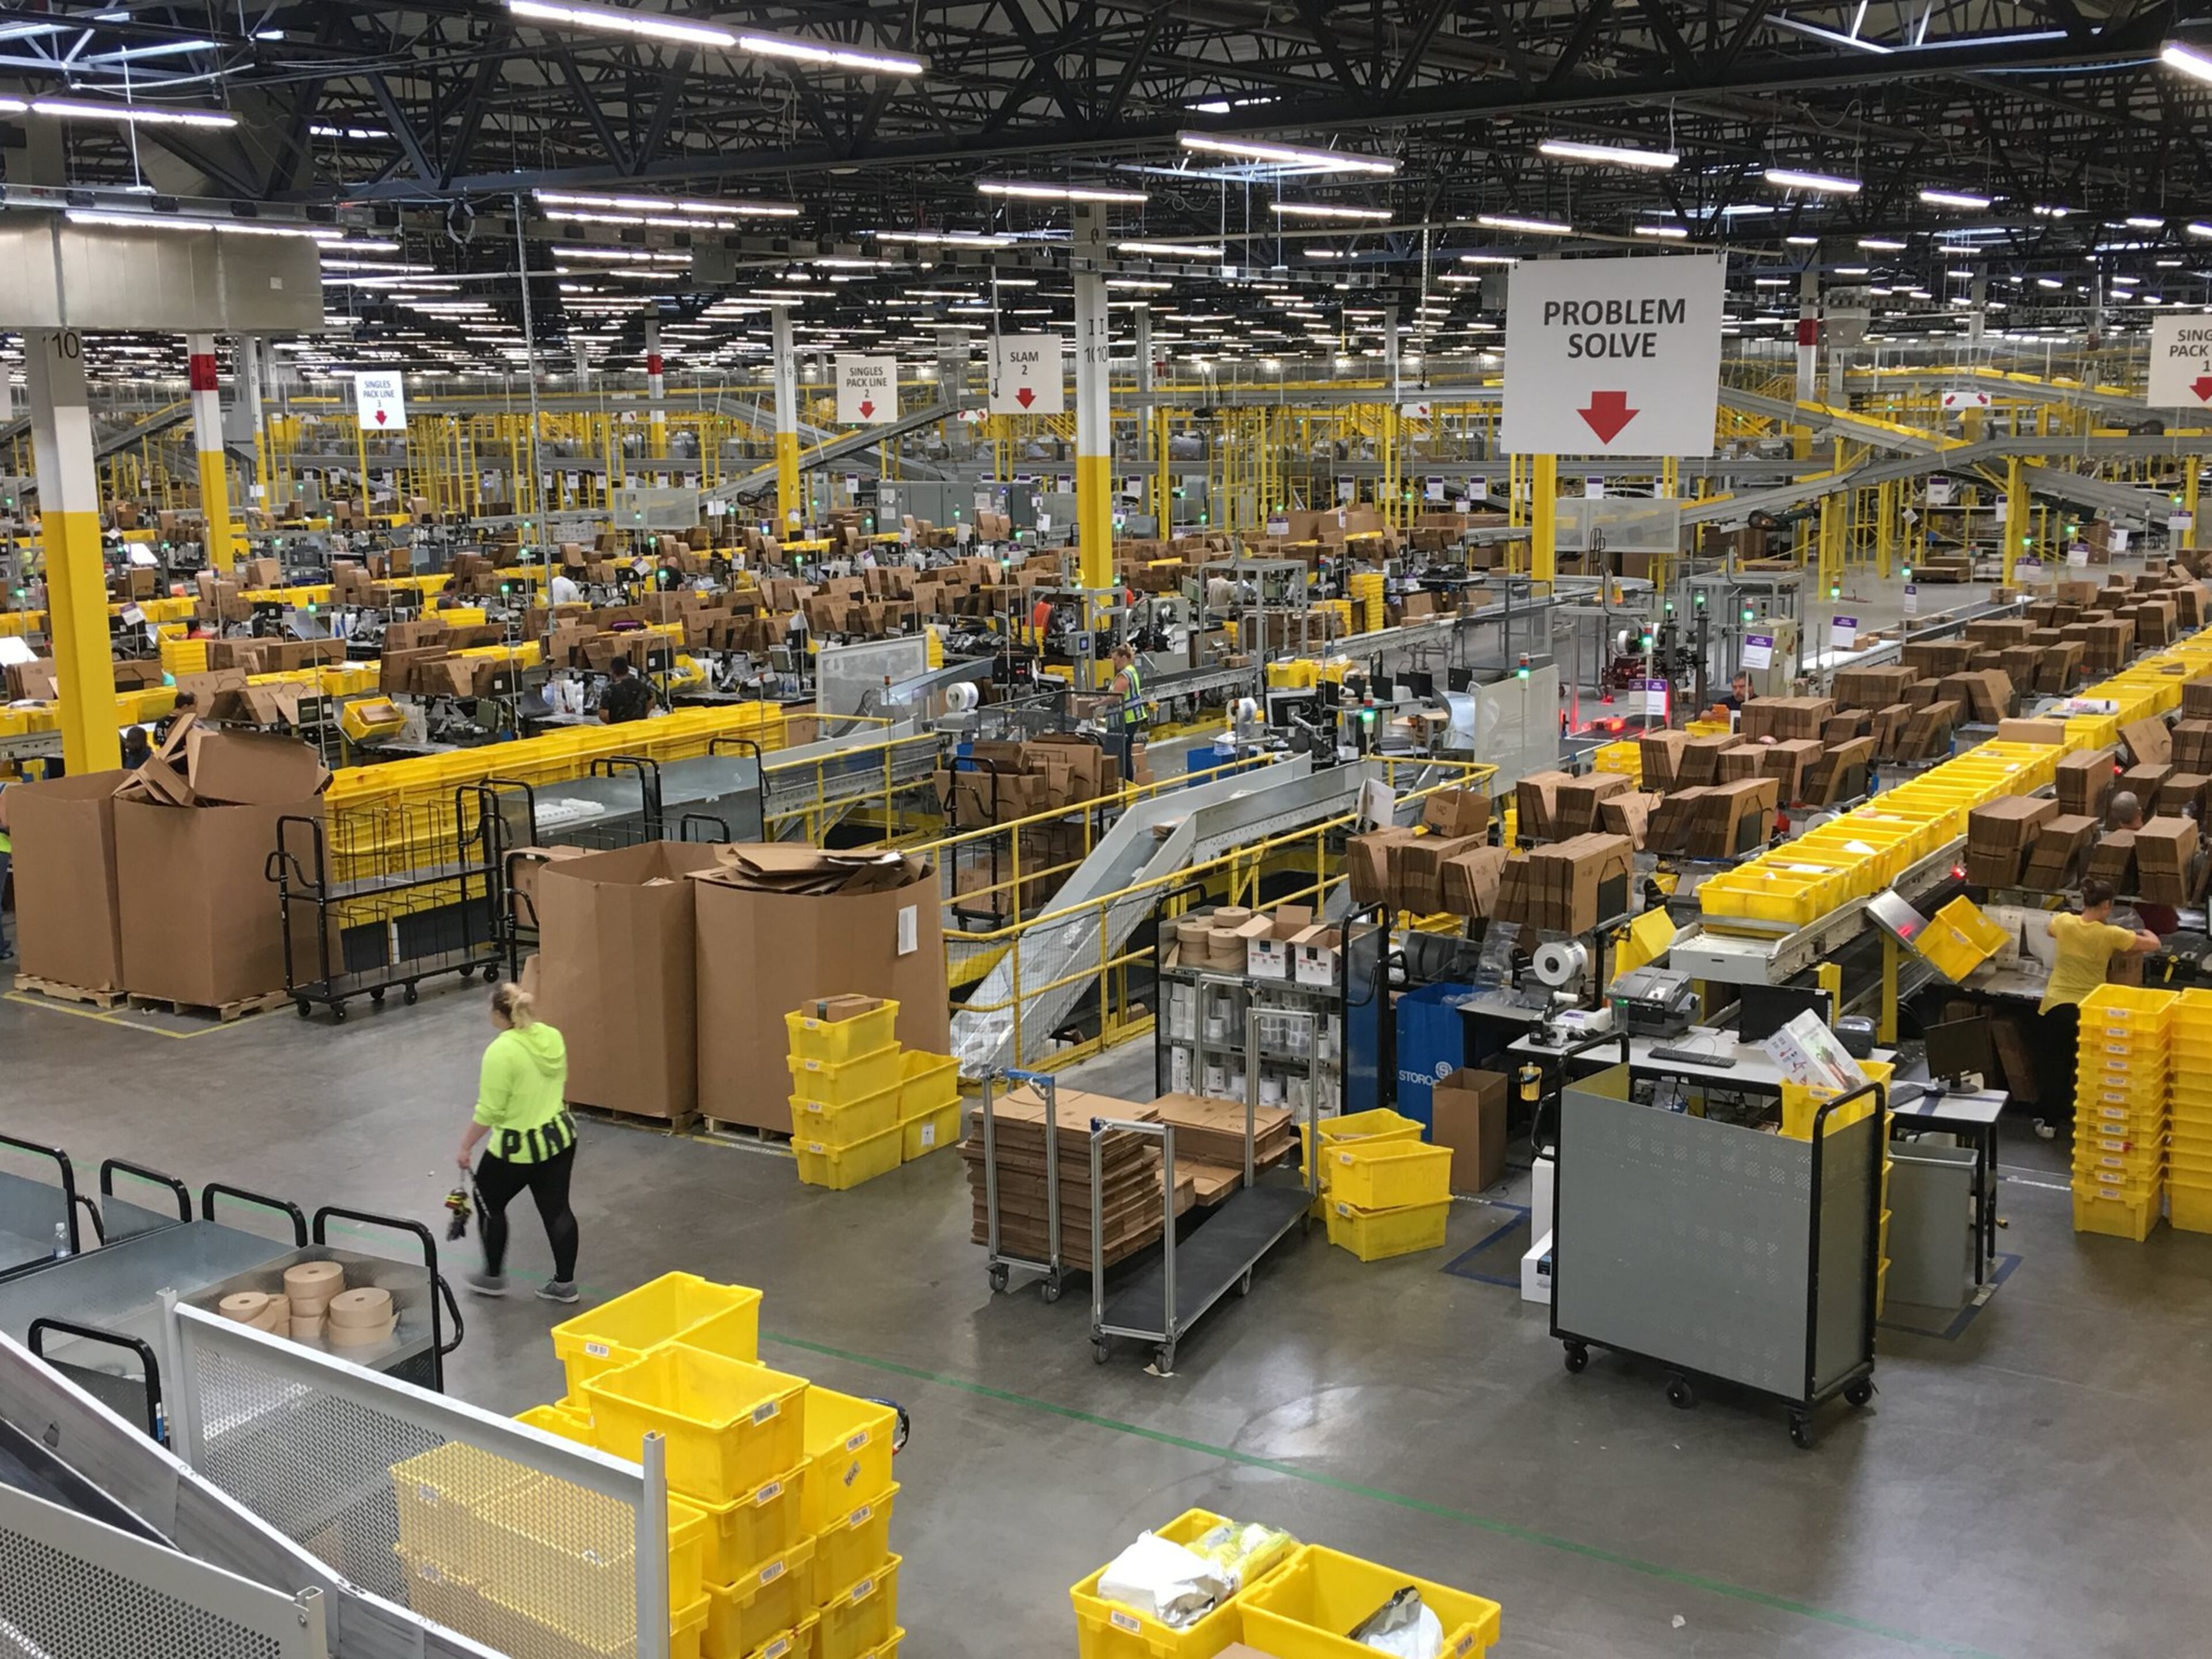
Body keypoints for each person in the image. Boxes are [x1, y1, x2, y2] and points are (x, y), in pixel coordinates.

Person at [456, 982, 579, 1302]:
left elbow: (489, 1111)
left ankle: (493, 1276)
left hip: (516, 1150)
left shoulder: (501, 1051)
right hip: (559, 1140)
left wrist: (466, 1145)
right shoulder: (551, 1036)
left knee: (489, 1202)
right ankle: (564, 1284)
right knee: (557, 1210)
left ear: (500, 1015)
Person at [2033, 877, 2160, 1133]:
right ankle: (2085, 1125)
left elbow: (2050, 930)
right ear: (2105, 906)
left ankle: (2048, 1125)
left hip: (2056, 1004)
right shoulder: (2110, 934)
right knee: (2088, 1069)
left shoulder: (2065, 922)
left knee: (2056, 1066)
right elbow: (2153, 945)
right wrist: (2142, 932)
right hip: (2088, 1010)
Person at [1107, 643, 1145, 780]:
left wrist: (1096, 704)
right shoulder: (1131, 670)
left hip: (1126, 719)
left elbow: (1115, 697)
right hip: (1133, 717)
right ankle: (1128, 782)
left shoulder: (1124, 675)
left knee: (1122, 754)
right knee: (1126, 752)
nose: (1114, 663)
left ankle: (1126, 782)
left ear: (1124, 658)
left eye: (1115, 659)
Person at [599, 656, 652, 724]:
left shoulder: (610, 690)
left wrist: (612, 724)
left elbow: (603, 715)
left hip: (619, 729)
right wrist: (644, 715)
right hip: (639, 727)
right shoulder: (640, 684)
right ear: (627, 670)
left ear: (612, 672)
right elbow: (651, 701)